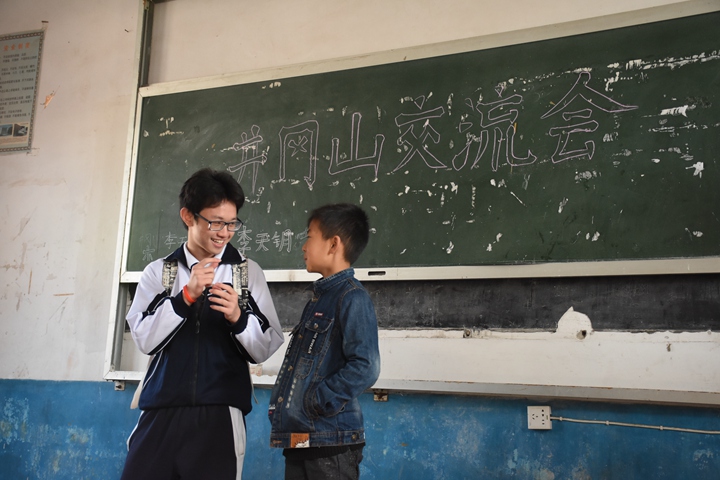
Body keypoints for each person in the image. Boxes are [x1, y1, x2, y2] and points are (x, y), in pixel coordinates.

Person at [121, 168, 284, 480]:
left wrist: (238, 318)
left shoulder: (246, 273)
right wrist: (185, 297)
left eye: (232, 223)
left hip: (221, 413)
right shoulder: (160, 272)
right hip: (160, 410)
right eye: (216, 222)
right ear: (188, 216)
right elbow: (144, 339)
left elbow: (267, 344)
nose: (224, 232)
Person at [268, 203, 381, 480]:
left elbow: (366, 366)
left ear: (333, 244)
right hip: (302, 439)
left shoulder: (352, 297)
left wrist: (315, 402)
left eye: (309, 237)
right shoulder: (319, 299)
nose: (304, 246)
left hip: (330, 443)